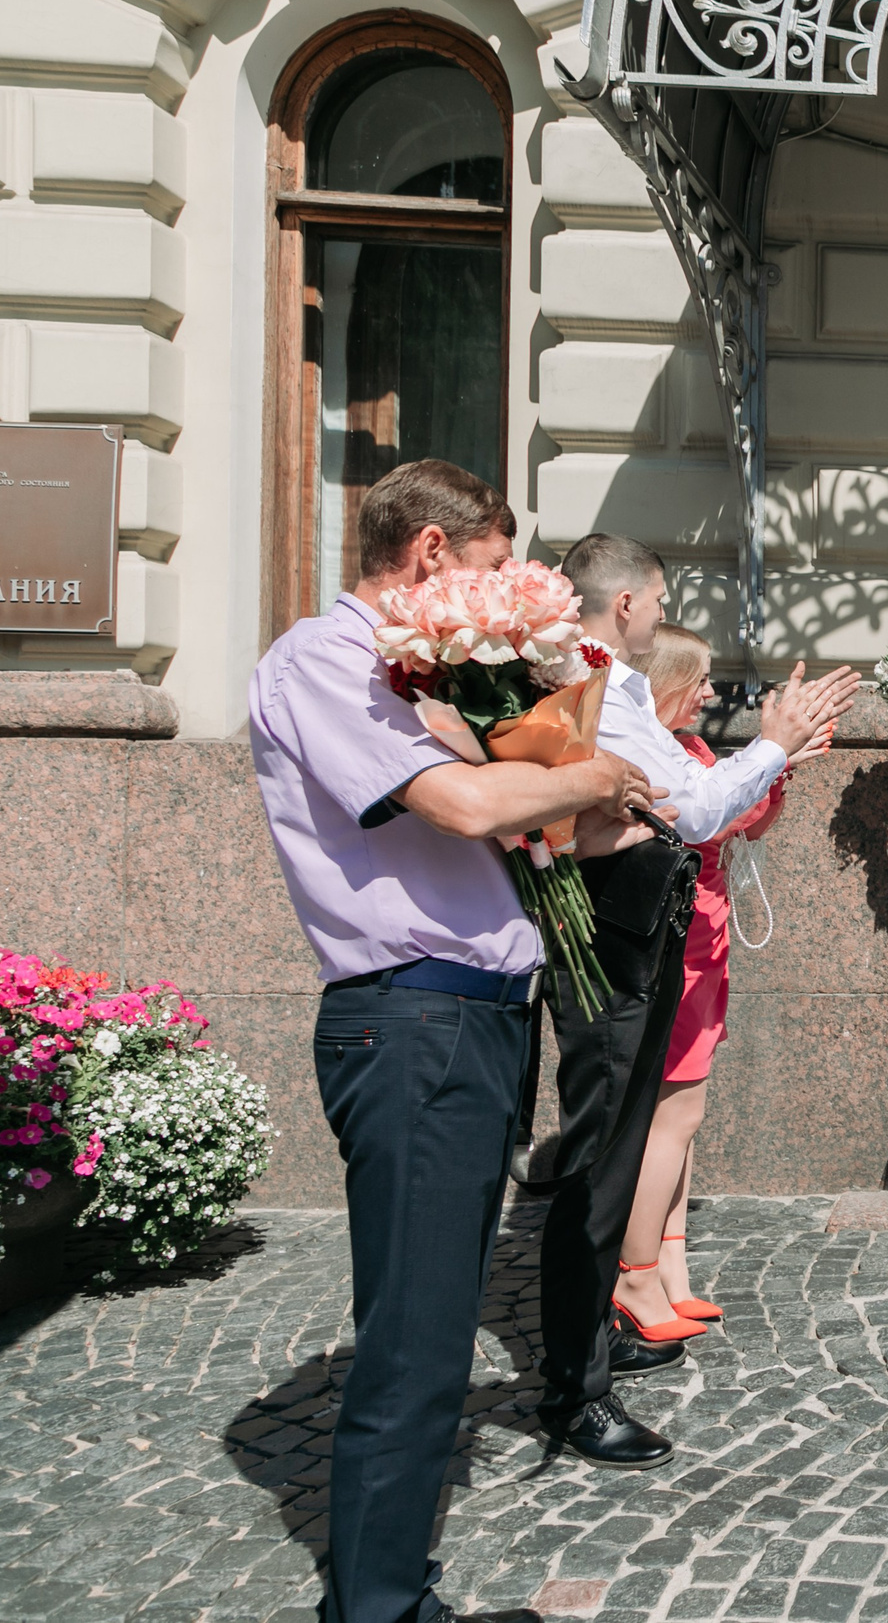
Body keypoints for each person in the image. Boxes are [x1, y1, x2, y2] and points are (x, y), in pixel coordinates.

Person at [249, 459, 660, 1623]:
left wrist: (582, 803)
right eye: (487, 569)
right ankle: (378, 1607)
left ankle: (389, 1592)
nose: (495, 593)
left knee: (430, 1319)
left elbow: (503, 841)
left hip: (468, 1011)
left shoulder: (413, 678)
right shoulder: (323, 660)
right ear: (432, 555)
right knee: (421, 1336)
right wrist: (590, 767)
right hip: (413, 1012)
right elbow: (468, 811)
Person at [537, 532, 857, 1469]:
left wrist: (772, 750)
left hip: (650, 929)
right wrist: (774, 742)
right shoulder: (584, 687)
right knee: (599, 1162)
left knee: (627, 1141)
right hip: (612, 934)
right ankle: (574, 1389)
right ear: (629, 603)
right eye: (661, 595)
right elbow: (694, 811)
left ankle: (597, 1334)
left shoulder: (625, 691)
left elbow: (691, 799)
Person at [610, 624, 820, 1338]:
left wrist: (779, 762)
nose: (709, 691)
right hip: (679, 937)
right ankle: (635, 1277)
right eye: (698, 678)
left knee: (685, 1117)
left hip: (707, 931)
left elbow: (747, 821)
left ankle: (670, 1270)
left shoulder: (691, 748)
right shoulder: (653, 753)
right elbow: (707, 818)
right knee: (675, 1111)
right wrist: (771, 752)